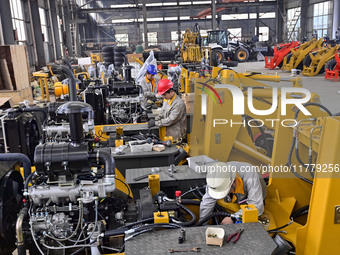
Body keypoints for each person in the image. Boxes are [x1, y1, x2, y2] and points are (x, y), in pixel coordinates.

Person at [200, 161, 266, 224]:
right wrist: (202, 223)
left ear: (234, 182)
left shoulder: (250, 176)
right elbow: (207, 202)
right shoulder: (215, 177)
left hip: (253, 199)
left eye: (224, 192)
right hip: (233, 200)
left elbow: (257, 207)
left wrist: (233, 218)